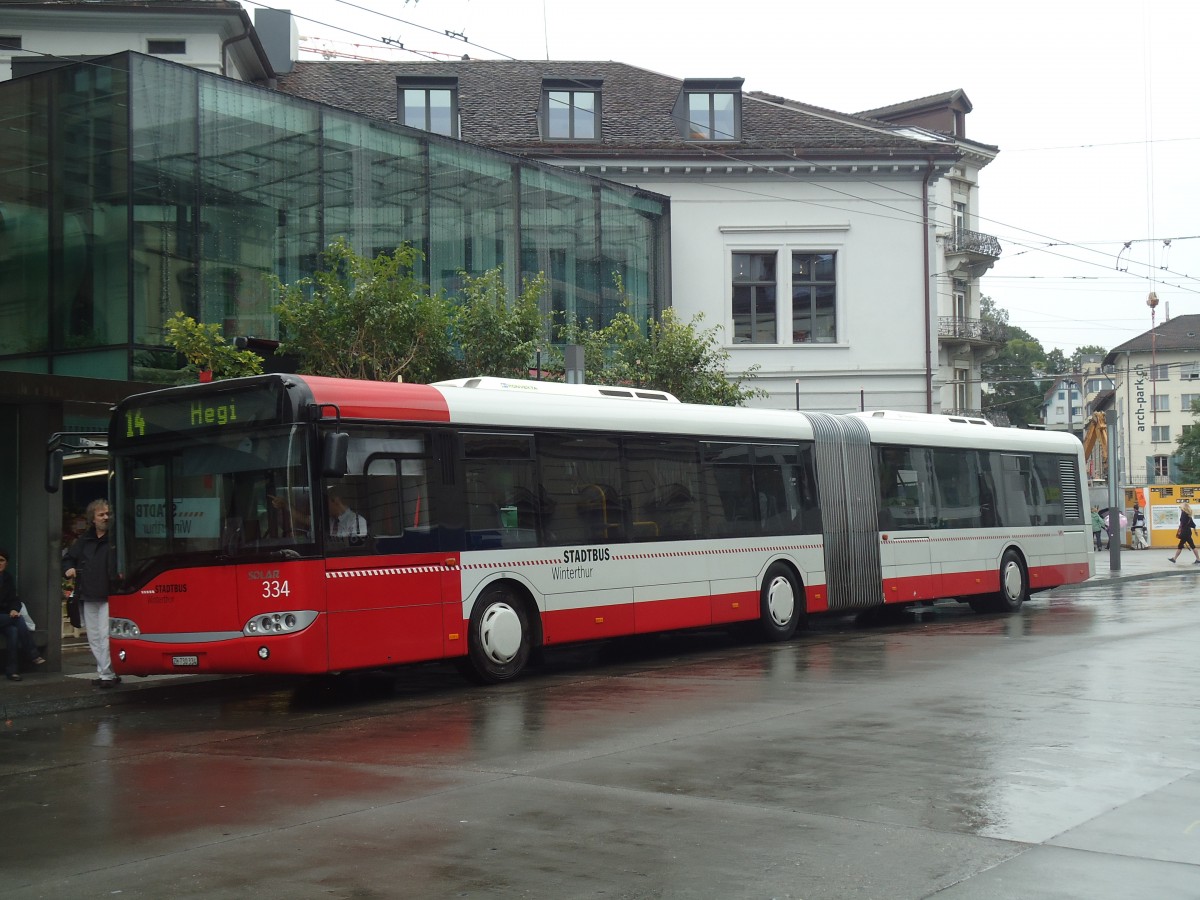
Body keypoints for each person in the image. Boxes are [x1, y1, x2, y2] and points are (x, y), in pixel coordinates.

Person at [62, 498, 120, 687]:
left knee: (105, 636)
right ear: (93, 519)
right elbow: (68, 558)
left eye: (108, 514)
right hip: (88, 593)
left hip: (109, 594)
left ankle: (107, 675)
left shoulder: (116, 539)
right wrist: (68, 569)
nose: (105, 517)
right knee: (94, 637)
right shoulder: (85, 540)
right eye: (101, 514)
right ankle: (106, 672)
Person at [1, 548, 45, 682]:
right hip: (3, 618)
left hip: (4, 618)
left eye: (2, 560)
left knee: (14, 631)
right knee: (17, 620)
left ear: (6, 563)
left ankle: (12, 671)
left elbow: (14, 599)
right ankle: (33, 654)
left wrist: (14, 609)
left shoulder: (7, 578)